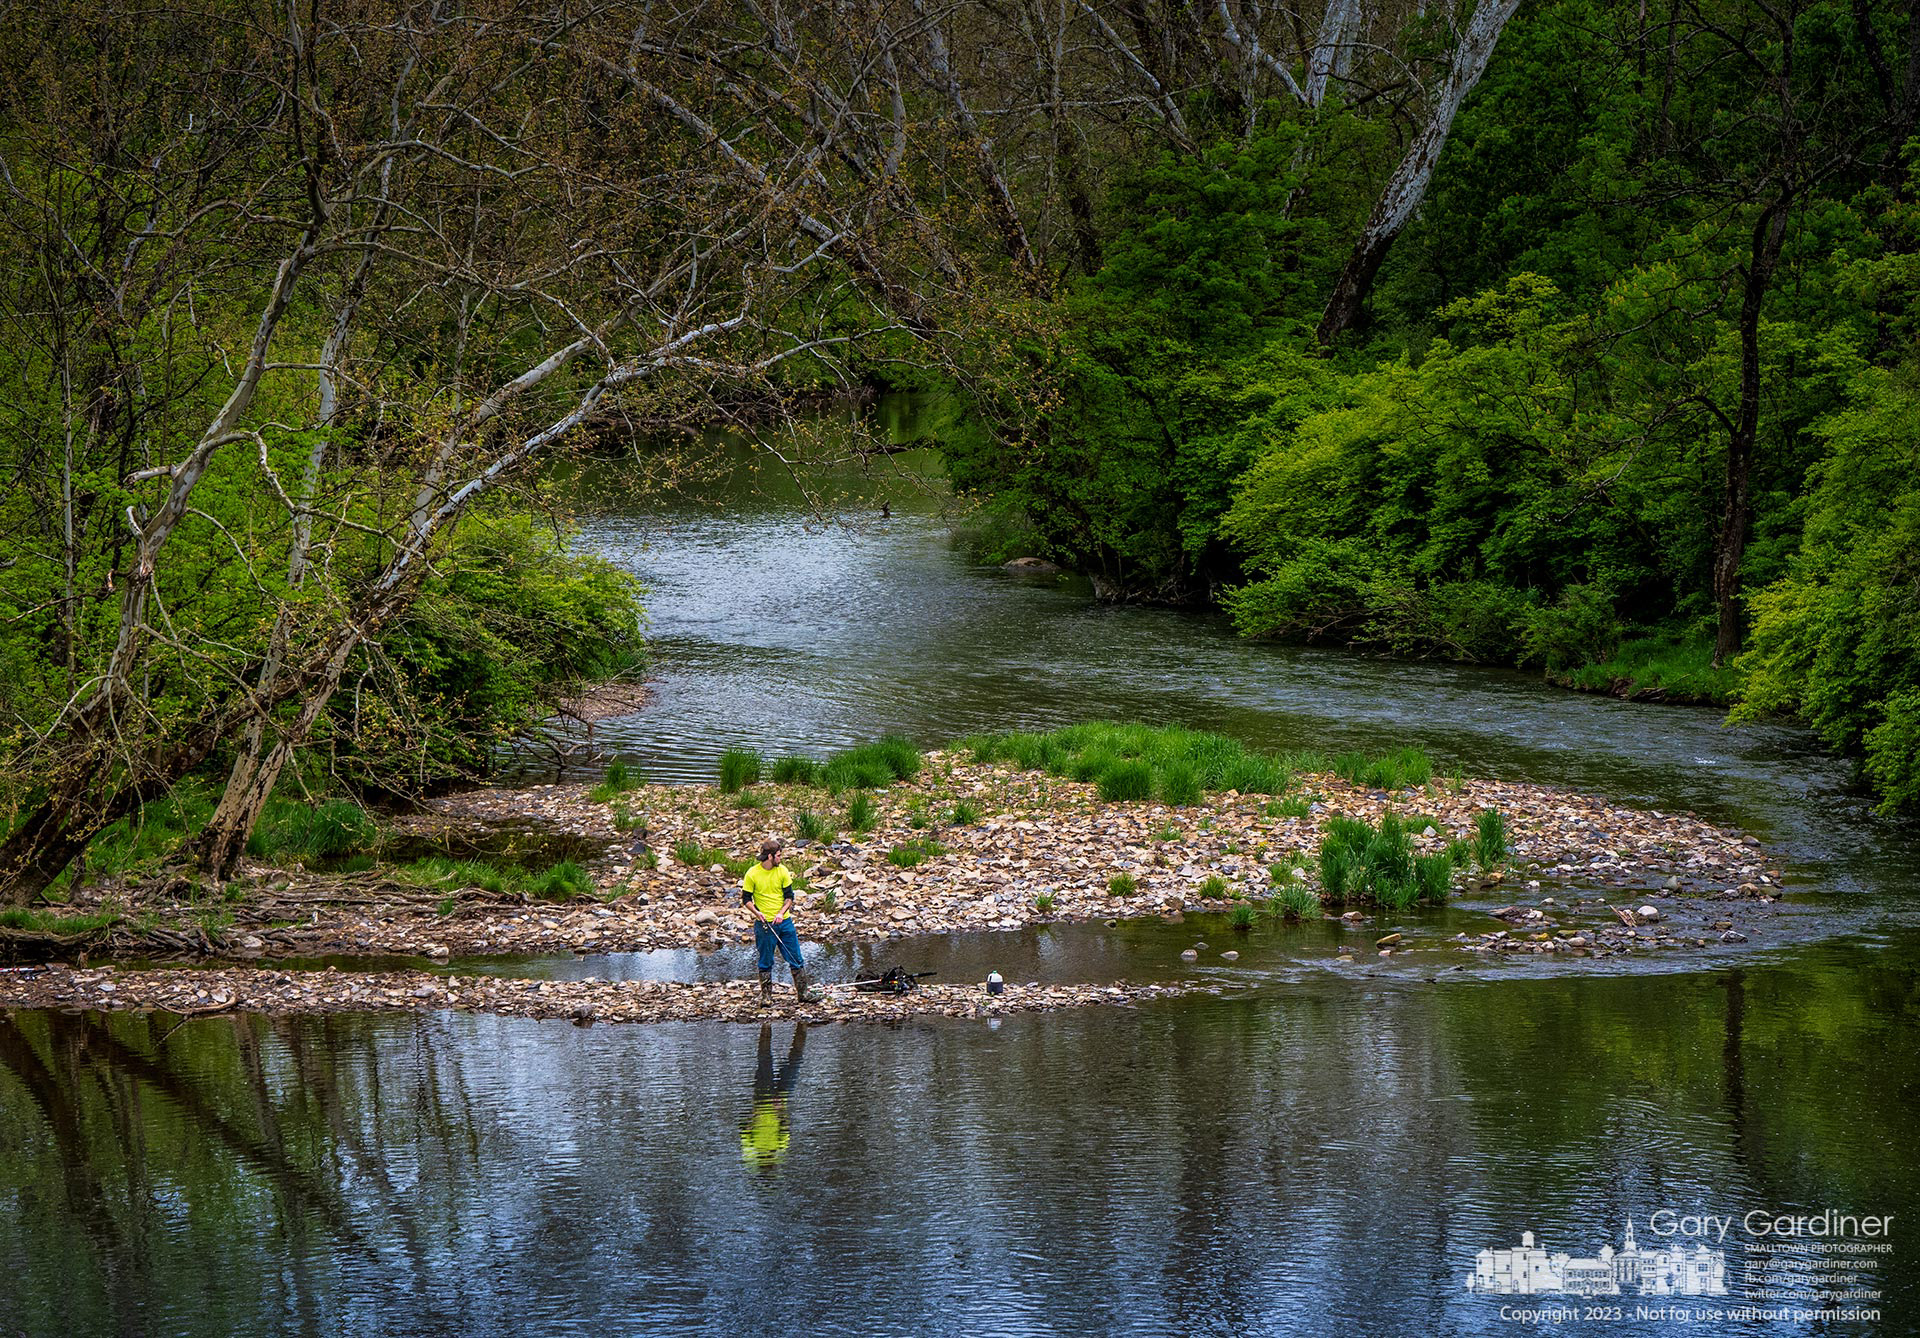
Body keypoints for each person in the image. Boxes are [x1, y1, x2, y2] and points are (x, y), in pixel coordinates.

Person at [741, 836, 823, 1003]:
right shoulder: (752, 873)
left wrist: (781, 913)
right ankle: (766, 997)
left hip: (784, 922)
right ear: (770, 857)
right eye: (778, 855)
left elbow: (789, 897)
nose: (780, 858)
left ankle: (803, 994)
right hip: (764, 925)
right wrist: (757, 913)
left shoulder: (783, 871)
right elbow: (746, 899)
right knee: (765, 961)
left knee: (796, 958)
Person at [740, 1022, 806, 1171]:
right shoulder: (778, 1151)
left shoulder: (750, 1152)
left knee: (765, 1060)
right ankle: (802, 1023)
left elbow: (743, 1129)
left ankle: (766, 1024)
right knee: (795, 1061)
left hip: (762, 1099)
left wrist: (752, 1118)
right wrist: (780, 1110)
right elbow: (785, 1129)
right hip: (780, 1101)